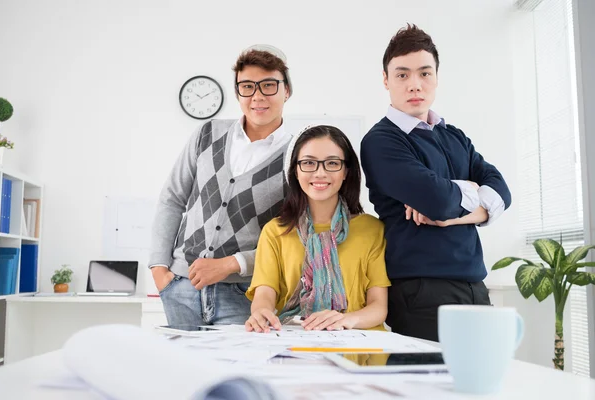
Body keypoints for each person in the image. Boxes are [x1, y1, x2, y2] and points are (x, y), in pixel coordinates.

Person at [360, 24, 512, 341]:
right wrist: (471, 192)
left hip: (475, 285)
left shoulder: (454, 136)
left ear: (436, 78)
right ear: (386, 81)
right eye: (402, 75)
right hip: (421, 291)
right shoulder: (381, 141)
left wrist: (466, 213)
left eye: (424, 73)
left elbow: (501, 189)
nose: (415, 84)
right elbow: (438, 201)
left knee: (477, 388)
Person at [148, 44, 293, 327]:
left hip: (246, 294)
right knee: (183, 370)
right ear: (238, 92)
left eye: (269, 85)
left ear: (286, 91)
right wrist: (159, 270)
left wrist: (231, 264)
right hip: (181, 286)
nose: (258, 96)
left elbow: (293, 237)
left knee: (237, 371)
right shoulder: (208, 133)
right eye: (247, 87)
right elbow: (172, 199)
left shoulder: (296, 154)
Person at [245, 125, 390, 333]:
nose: (320, 173)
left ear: (346, 172)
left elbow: (378, 306)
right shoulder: (275, 231)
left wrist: (344, 320)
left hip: (360, 344)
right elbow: (264, 295)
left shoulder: (372, 229)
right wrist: (261, 313)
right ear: (295, 170)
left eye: (332, 163)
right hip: (296, 341)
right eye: (309, 163)